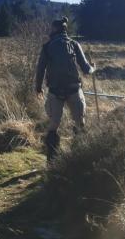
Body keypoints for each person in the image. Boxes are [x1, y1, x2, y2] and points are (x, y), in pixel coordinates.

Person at [35, 16, 94, 161]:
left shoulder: (47, 46)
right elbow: (86, 69)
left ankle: (51, 159)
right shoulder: (74, 44)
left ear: (55, 29)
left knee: (53, 125)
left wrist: (38, 88)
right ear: (65, 30)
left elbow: (40, 69)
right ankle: (80, 155)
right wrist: (93, 68)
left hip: (55, 91)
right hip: (74, 89)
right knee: (80, 123)